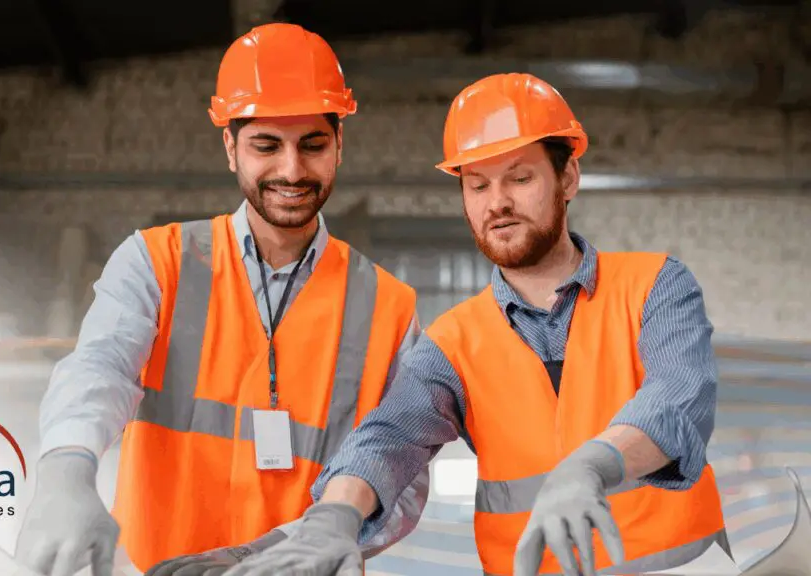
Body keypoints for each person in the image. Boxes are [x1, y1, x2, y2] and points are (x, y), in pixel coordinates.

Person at [213, 73, 730, 576]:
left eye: (520, 178)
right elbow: (388, 437)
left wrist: (592, 464)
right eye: (477, 185)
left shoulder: (654, 285)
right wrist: (331, 518)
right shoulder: (453, 345)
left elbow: (677, 397)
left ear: (567, 177)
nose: (497, 202)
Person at [10, 22, 430, 576]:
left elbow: (402, 472)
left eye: (312, 144)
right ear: (230, 147)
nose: (291, 169)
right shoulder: (156, 263)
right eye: (266, 145)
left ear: (339, 146)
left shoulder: (389, 308)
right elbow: (99, 367)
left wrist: (265, 553)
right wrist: (66, 468)